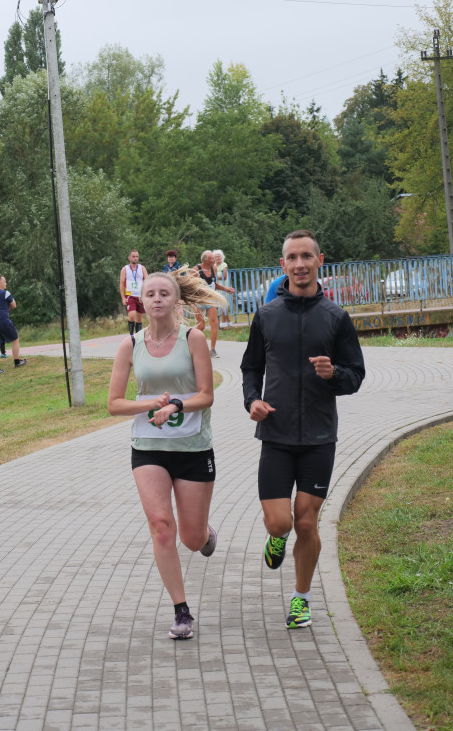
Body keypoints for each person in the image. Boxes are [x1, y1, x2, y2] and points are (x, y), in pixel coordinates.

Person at [240, 229, 366, 629]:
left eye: (306, 256)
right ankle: (276, 538)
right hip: (275, 435)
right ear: (283, 265)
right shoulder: (266, 316)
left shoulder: (336, 318)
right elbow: (250, 367)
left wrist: (333, 375)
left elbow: (355, 376)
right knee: (280, 522)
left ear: (319, 260)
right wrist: (251, 401)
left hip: (318, 437)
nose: (299, 264)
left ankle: (301, 598)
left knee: (307, 523)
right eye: (292, 257)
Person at [107, 270, 228, 640]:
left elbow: (206, 395)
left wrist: (175, 404)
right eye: (151, 294)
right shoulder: (130, 346)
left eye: (164, 293)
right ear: (141, 302)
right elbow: (114, 404)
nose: (157, 299)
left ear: (176, 301)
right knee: (161, 526)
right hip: (148, 449)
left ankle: (204, 533)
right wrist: (147, 407)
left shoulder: (193, 339)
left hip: (192, 448)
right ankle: (181, 611)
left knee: (190, 539)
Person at [193, 250, 235, 358]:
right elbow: (190, 286)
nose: (214, 261)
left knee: (214, 322)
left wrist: (225, 288)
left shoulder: (214, 268)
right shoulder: (195, 270)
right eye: (212, 259)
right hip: (198, 300)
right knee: (201, 326)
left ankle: (213, 350)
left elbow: (213, 283)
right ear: (206, 260)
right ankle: (192, 345)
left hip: (211, 299)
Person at [0, 275, 26, 376]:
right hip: (3, 320)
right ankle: (17, 362)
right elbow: (14, 305)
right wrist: (7, 308)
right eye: (4, 282)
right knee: (15, 339)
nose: (6, 284)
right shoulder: (5, 293)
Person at [120, 249, 148, 336]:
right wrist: (123, 297)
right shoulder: (125, 269)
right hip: (130, 295)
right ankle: (131, 335)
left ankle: (138, 335)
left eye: (137, 256)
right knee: (132, 315)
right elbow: (121, 283)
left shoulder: (142, 268)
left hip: (140, 296)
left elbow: (148, 280)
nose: (135, 258)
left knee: (139, 318)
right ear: (129, 258)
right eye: (133, 256)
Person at [214, 250, 232, 328]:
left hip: (223, 286)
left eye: (218, 256)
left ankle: (223, 322)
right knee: (221, 304)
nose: (217, 258)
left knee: (223, 304)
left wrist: (215, 277)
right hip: (216, 286)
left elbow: (224, 276)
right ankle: (229, 322)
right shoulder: (213, 265)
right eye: (215, 256)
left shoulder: (224, 264)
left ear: (222, 257)